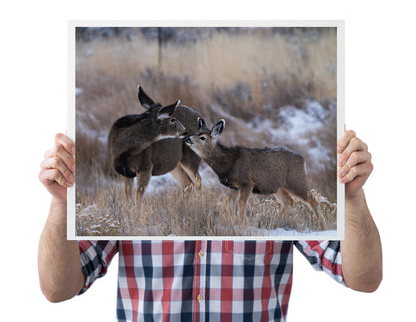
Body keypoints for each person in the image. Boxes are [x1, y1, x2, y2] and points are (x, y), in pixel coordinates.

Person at [38, 130, 382, 321]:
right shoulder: (133, 209)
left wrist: (351, 197)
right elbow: (58, 288)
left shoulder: (242, 166)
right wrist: (60, 202)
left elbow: (363, 278)